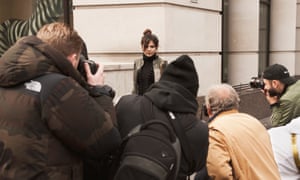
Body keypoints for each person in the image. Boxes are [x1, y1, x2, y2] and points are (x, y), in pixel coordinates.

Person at [0, 22, 121, 179]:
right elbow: (107, 141)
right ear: (73, 59)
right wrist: (99, 91)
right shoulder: (59, 87)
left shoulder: (7, 79)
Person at [116, 55, 209, 179]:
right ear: (192, 93)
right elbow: (197, 166)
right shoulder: (201, 132)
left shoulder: (126, 105)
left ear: (161, 81)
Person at [204, 83, 280, 179]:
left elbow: (219, 173)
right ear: (237, 103)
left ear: (208, 109)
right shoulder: (254, 122)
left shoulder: (216, 131)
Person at [133, 28, 167, 95]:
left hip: (155, 100)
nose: (149, 49)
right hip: (140, 100)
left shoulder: (162, 63)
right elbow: (135, 86)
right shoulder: (137, 63)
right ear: (142, 47)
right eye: (146, 46)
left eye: (152, 46)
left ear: (156, 48)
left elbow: (165, 86)